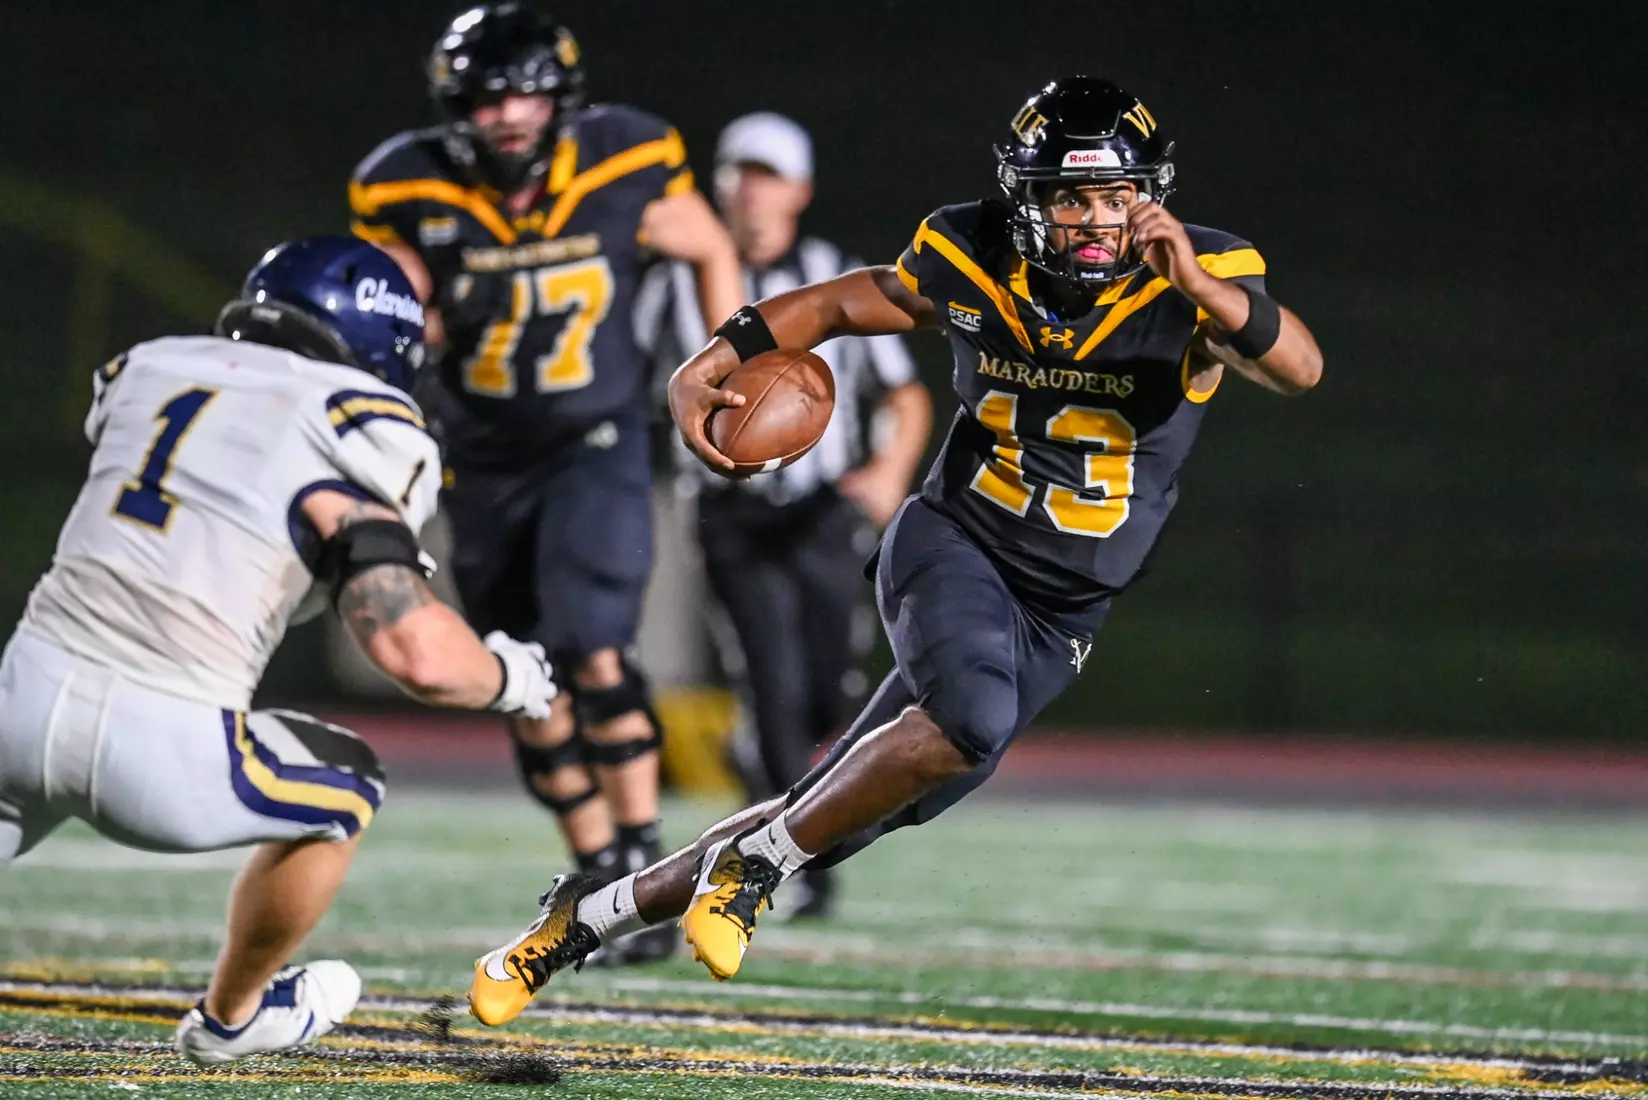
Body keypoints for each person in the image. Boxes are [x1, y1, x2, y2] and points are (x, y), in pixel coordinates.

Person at [465, 75, 1324, 1026]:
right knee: (965, 722)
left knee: (833, 807)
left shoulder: (1199, 280)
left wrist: (1200, 287)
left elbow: (1299, 368)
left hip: (1065, 609)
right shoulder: (976, 252)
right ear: (1027, 197)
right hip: (960, 543)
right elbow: (844, 303)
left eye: (1116, 197)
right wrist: (713, 358)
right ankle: (759, 866)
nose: (1094, 221)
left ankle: (582, 920)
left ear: (1150, 196)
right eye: (1070, 197)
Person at [0, 235, 558, 1062]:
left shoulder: (150, 367)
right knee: (347, 784)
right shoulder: (360, 422)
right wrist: (511, 677)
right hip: (165, 744)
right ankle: (232, 1017)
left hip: (21, 698)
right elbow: (418, 654)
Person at [348, 3, 742, 963]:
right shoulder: (404, 183)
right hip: (480, 456)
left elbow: (708, 246)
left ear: (562, 99)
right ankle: (597, 868)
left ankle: (644, 861)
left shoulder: (622, 157)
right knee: (524, 678)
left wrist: (734, 364)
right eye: (486, 99)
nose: (507, 116)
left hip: (593, 440)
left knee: (595, 651)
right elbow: (396, 311)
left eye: (524, 95)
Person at [634, 111, 931, 918]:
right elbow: (635, 391)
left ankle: (776, 776)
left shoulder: (833, 277)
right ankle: (798, 865)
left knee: (828, 691)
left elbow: (904, 394)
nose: (750, 190)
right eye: (738, 173)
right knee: (772, 685)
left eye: (767, 175)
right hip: (730, 515)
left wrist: (886, 472)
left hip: (822, 511)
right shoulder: (669, 286)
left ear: (799, 190)